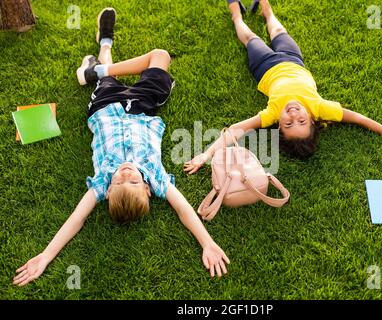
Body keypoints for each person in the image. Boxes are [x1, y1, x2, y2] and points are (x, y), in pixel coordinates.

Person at [13, 8, 229, 286]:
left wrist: (45, 256)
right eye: (134, 181)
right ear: (148, 190)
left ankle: (104, 47)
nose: (126, 172)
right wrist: (207, 243)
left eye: (119, 181)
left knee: (107, 81)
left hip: (105, 107)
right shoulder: (157, 177)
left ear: (108, 190)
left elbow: (76, 220)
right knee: (160, 55)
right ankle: (97, 70)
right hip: (141, 107)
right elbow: (184, 209)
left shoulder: (101, 181)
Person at [183, 0, 382, 174]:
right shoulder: (321, 108)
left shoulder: (271, 113)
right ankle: (266, 9)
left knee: (250, 39)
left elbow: (236, 130)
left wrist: (206, 154)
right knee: (278, 30)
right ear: (312, 119)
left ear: (279, 125)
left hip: (265, 66)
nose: (293, 115)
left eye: (288, 124)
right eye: (301, 121)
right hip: (293, 59)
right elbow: (360, 119)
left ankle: (235, 11)